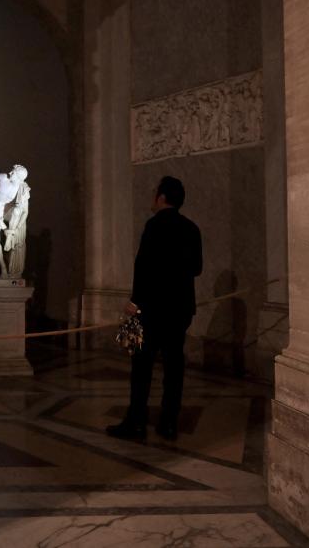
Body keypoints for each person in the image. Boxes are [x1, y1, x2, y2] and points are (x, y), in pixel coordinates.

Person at [107, 176, 202, 442]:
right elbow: (197, 268)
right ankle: (169, 423)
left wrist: (135, 302)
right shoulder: (192, 229)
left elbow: (144, 267)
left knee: (142, 367)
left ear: (161, 197)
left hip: (151, 309)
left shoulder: (154, 226)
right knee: (174, 368)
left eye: (153, 193)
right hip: (180, 309)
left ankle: (135, 422)